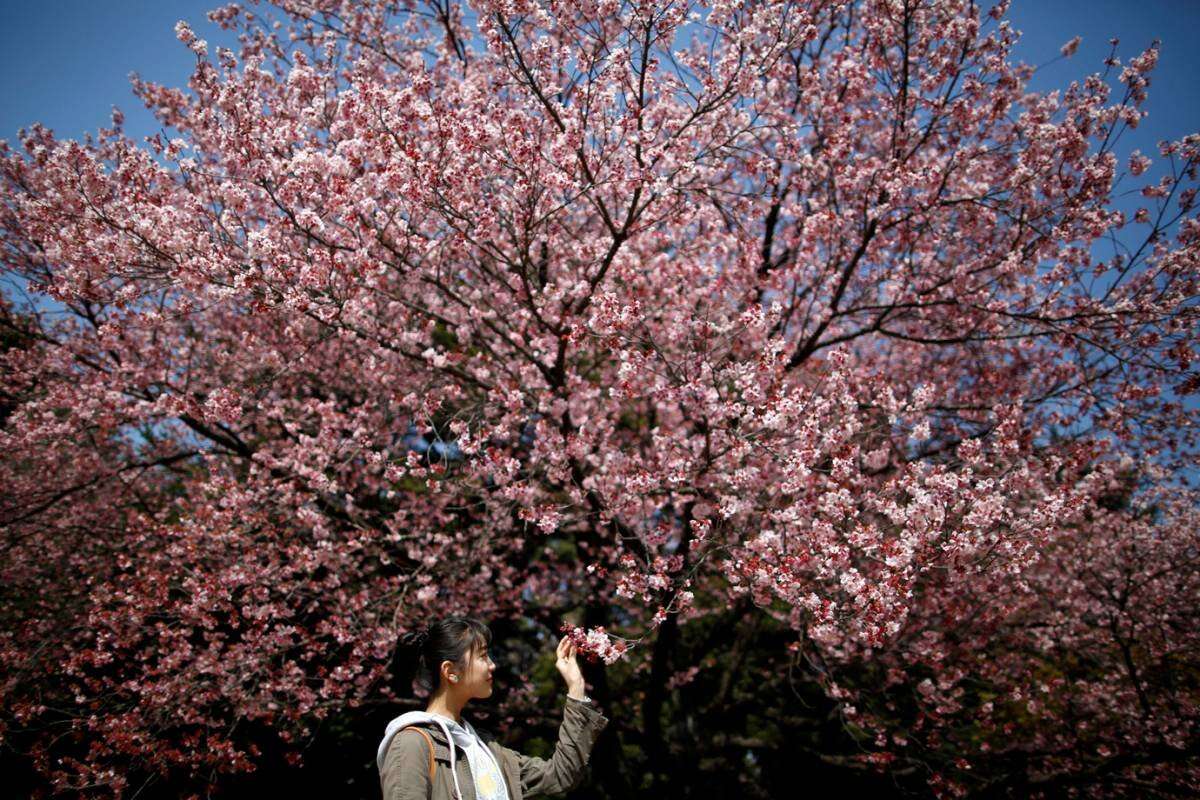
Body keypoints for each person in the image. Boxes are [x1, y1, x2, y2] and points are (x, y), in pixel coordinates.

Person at [378, 616, 609, 800]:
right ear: (450, 672)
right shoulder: (411, 743)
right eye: (483, 656)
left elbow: (561, 775)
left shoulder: (487, 749)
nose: (492, 665)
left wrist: (576, 688)